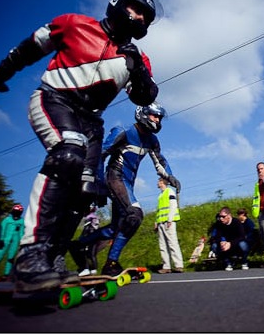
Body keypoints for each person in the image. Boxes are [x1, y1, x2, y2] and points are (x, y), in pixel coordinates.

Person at [0, 0, 164, 292]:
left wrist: (138, 71)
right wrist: (1, 74)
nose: (138, 18)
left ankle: (53, 257)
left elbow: (145, 97)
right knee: (68, 154)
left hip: (91, 121)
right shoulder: (74, 24)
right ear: (117, 4)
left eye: (145, 17)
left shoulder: (137, 57)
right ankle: (30, 255)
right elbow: (29, 47)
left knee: (85, 192)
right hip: (53, 100)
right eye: (135, 9)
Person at [70, 102, 181, 277]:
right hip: (115, 178)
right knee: (134, 215)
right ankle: (111, 263)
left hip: (128, 183)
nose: (157, 120)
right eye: (154, 115)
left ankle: (79, 245)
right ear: (143, 114)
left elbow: (160, 161)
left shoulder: (152, 140)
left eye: (159, 117)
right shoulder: (124, 131)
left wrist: (170, 176)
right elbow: (100, 154)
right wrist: (96, 183)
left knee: (117, 227)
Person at [154, 177, 184, 274]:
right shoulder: (160, 195)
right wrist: (156, 222)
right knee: (162, 245)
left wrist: (170, 219)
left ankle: (178, 265)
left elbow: (173, 205)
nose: (157, 183)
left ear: (162, 182)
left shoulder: (169, 191)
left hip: (168, 222)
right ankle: (166, 266)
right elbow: (159, 210)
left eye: (159, 181)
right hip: (161, 223)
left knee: (172, 243)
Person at [212, 207, 250, 271]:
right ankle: (228, 263)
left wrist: (230, 243)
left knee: (243, 244)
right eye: (220, 216)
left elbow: (242, 236)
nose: (221, 219)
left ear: (229, 216)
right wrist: (221, 242)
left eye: (223, 217)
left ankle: (244, 262)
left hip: (236, 244)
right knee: (214, 246)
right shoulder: (219, 224)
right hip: (225, 244)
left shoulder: (236, 222)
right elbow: (216, 237)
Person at [77, 206, 101, 276]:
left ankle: (93, 269)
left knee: (91, 253)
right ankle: (92, 268)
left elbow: (87, 228)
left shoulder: (91, 217)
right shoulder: (93, 217)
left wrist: (82, 237)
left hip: (91, 236)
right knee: (89, 253)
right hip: (93, 235)